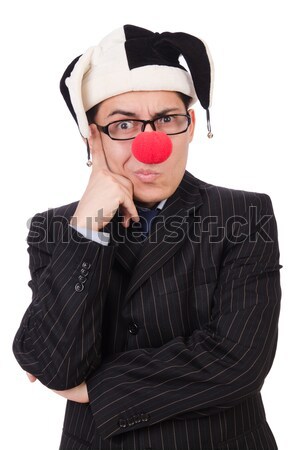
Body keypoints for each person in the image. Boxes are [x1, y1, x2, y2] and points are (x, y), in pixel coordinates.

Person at [13, 25, 281, 450]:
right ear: (93, 136)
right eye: (122, 125)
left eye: (166, 120)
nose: (148, 144)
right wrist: (86, 228)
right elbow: (55, 365)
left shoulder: (244, 215)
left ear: (190, 125)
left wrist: (99, 390)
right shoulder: (55, 229)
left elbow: (239, 361)